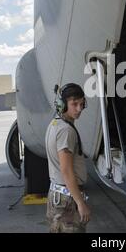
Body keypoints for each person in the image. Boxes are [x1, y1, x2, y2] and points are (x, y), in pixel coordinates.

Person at [45, 83, 90, 233]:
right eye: (74, 104)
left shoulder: (54, 124)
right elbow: (66, 170)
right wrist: (80, 203)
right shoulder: (66, 131)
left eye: (82, 104)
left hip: (57, 196)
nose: (79, 109)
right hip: (67, 202)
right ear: (63, 105)